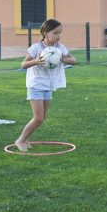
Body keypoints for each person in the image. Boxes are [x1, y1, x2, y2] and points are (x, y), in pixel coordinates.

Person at [14, 19, 77, 152]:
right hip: (36, 85)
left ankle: (26, 139)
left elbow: (73, 60)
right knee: (38, 118)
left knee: (41, 119)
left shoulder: (60, 48)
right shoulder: (36, 48)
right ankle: (20, 140)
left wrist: (62, 59)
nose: (58, 36)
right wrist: (36, 61)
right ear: (45, 33)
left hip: (49, 86)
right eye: (55, 33)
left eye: (60, 33)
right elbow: (23, 64)